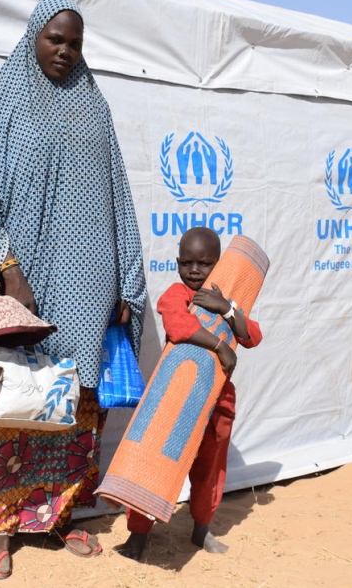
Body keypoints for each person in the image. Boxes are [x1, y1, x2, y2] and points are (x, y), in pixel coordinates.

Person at [0, 0, 147, 580]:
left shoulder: (95, 107)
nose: (66, 52)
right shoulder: (1, 107)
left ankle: (61, 513)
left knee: (76, 408)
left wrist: (125, 278)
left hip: (90, 284)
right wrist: (9, 265)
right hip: (26, 284)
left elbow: (118, 195)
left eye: (75, 43)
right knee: (12, 398)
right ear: (31, 39)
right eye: (55, 40)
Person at [117, 227, 262, 560]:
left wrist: (226, 308)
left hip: (218, 401)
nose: (194, 270)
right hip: (175, 400)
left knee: (210, 468)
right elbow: (178, 326)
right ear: (178, 263)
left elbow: (253, 335)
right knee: (151, 460)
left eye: (204, 263)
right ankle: (138, 535)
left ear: (220, 263)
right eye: (187, 263)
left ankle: (201, 529)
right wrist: (220, 346)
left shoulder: (226, 299)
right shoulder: (176, 293)